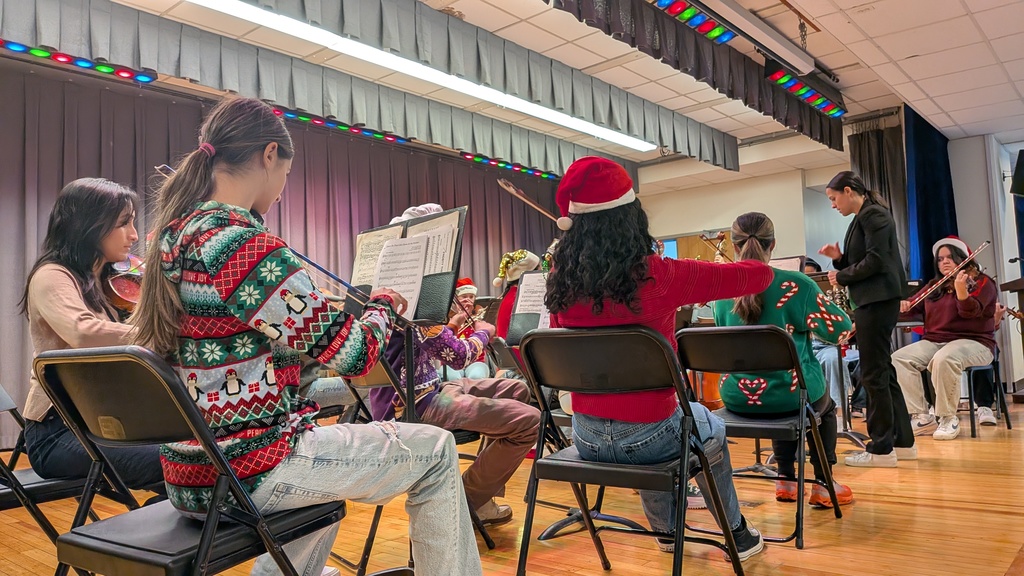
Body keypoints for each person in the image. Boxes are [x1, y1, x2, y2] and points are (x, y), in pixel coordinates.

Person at [131, 97, 482, 576]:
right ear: (270, 155)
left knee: (320, 446)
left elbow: (250, 348)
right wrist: (380, 308)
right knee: (438, 450)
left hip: (191, 472)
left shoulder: (175, 237)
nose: (279, 191)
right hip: (248, 470)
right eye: (286, 177)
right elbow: (356, 354)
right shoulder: (240, 243)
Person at [544, 156, 771, 559]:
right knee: (705, 426)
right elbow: (757, 276)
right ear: (632, 217)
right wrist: (755, 253)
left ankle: (668, 532)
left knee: (668, 424)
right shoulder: (661, 274)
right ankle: (737, 533)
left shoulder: (561, 285)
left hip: (584, 435)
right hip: (650, 437)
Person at [368, 205, 541, 528]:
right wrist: (483, 332)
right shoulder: (414, 302)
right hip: (416, 402)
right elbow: (459, 356)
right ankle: (465, 501)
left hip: (424, 389)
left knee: (516, 388)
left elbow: (431, 341)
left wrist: (452, 324)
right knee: (529, 421)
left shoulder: (385, 296)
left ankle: (484, 496)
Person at [19, 178, 165, 492]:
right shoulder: (52, 276)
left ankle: (190, 522)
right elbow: (83, 332)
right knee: (179, 461)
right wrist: (156, 334)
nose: (134, 235)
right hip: (60, 434)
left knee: (206, 449)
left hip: (110, 422)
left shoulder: (109, 281)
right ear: (89, 225)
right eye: (124, 224)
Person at [713, 213, 853, 507]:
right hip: (789, 395)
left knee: (788, 392)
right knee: (821, 406)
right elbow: (840, 328)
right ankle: (823, 483)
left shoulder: (721, 289)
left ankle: (786, 477)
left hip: (736, 397)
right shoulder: (798, 284)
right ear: (772, 244)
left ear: (735, 246)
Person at [820, 170, 913, 467]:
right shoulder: (863, 218)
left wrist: (841, 275)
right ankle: (902, 441)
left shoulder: (873, 215)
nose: (833, 205)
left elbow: (877, 261)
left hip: (877, 300)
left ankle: (881, 448)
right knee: (883, 371)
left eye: (834, 198)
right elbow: (865, 259)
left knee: (873, 374)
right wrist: (839, 259)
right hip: (874, 300)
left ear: (849, 191)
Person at [893, 236, 997, 440]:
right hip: (936, 341)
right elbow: (913, 307)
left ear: (963, 258)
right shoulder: (935, 285)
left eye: (950, 257)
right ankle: (922, 418)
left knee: (944, 358)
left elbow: (972, 313)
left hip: (975, 342)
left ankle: (948, 418)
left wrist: (961, 293)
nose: (945, 262)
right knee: (899, 358)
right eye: (940, 259)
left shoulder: (983, 282)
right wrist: (903, 306)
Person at [803, 258, 859, 414]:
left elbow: (847, 321)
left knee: (834, 359)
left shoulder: (828, 298)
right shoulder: (793, 298)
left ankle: (840, 413)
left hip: (825, 347)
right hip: (801, 348)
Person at [443, 277, 491, 380]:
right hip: (452, 363)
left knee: (476, 377)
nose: (468, 300)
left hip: (476, 361)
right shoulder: (447, 319)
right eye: (464, 296)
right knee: (453, 378)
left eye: (471, 297)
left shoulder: (478, 318)